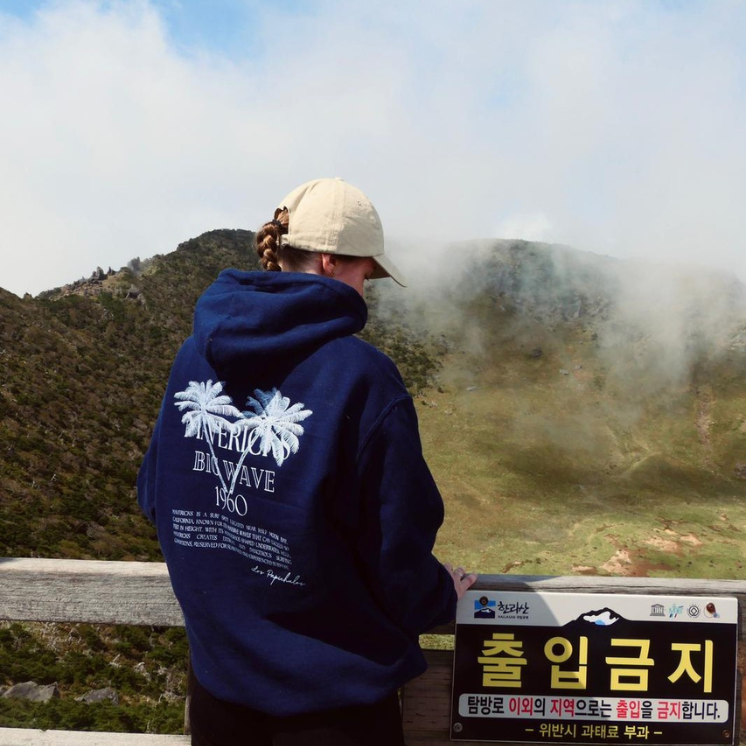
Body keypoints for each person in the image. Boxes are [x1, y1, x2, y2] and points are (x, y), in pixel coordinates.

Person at [137, 177, 477, 745]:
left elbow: (157, 496)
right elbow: (395, 547)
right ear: (328, 262)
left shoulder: (193, 354)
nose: (365, 292)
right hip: (334, 706)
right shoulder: (360, 377)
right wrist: (440, 596)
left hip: (218, 693)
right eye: (365, 275)